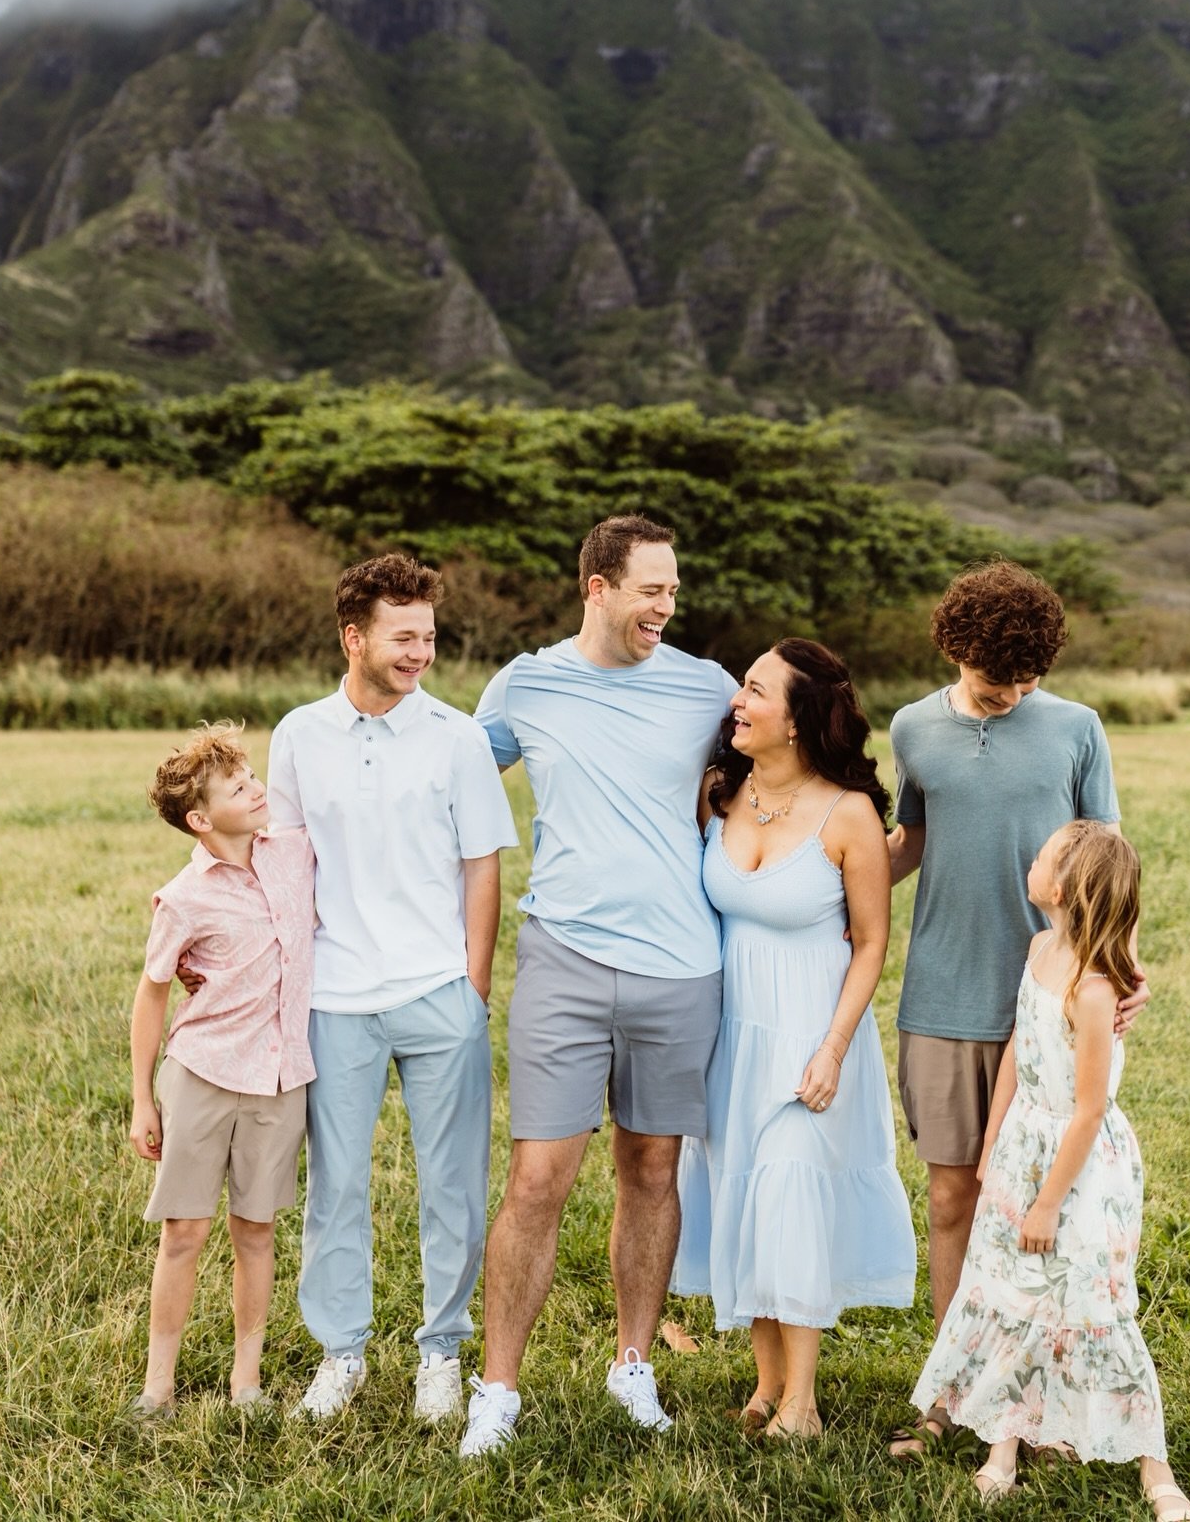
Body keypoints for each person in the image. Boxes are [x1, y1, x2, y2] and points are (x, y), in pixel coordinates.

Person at [459, 514, 736, 1458]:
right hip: (564, 960)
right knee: (539, 1178)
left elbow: (781, 773)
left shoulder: (708, 688)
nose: (668, 605)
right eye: (651, 589)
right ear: (598, 588)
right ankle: (496, 1389)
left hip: (681, 968)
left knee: (651, 1169)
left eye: (672, 589)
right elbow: (448, 780)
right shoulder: (526, 682)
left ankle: (633, 1365)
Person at [886, 558, 1145, 1460]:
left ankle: (1038, 1405)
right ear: (958, 651)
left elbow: (1110, 858)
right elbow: (909, 839)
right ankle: (954, 1393)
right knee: (958, 1196)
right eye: (1000, 682)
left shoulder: (1077, 727)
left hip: (1052, 1001)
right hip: (943, 999)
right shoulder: (913, 727)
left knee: (1047, 1206)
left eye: (1029, 679)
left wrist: (1127, 968)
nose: (1015, 694)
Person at [266, 554, 518, 1422]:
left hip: (438, 993)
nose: (420, 653)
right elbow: (285, 867)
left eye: (430, 638)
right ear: (354, 637)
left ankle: (440, 1354)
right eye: (403, 637)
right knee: (334, 1185)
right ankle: (342, 1353)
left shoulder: (456, 737)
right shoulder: (298, 734)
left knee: (452, 1182)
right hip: (333, 998)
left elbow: (481, 865)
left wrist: (472, 987)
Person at [912, 823, 1190, 1520]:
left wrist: (1046, 1204)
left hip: (1078, 1170)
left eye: (1041, 857)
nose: (1031, 861)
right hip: (1021, 1148)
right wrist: (990, 1144)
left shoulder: (1096, 991)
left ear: (1063, 887)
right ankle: (1003, 1445)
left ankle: (1156, 1471)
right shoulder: (1041, 948)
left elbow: (1089, 1110)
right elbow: (1017, 1044)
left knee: (1094, 1304)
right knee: (1015, 1297)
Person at [671, 639, 917, 1439]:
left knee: (791, 1196)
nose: (737, 703)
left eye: (755, 691)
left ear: (799, 719)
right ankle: (766, 1381)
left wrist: (833, 1048)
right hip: (727, 1034)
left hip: (810, 1031)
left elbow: (873, 942)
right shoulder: (719, 795)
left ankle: (804, 1402)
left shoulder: (847, 812)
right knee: (741, 1193)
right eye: (742, 688)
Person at [128, 722, 316, 1417]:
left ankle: (247, 1382)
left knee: (256, 1231)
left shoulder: (294, 855)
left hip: (279, 1079)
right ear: (201, 820)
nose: (257, 788)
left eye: (253, 776)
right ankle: (159, 1385)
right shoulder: (183, 898)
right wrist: (142, 1100)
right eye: (239, 787)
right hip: (204, 1075)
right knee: (185, 1232)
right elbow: (151, 995)